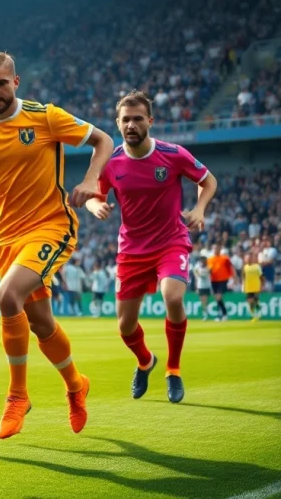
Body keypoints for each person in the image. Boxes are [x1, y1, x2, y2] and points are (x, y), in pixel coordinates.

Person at [0, 51, 114, 439]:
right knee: (41, 324)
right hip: (5, 236)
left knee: (8, 297)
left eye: (1, 83)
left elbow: (103, 140)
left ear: (16, 82)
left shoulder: (45, 117)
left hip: (51, 225)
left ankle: (17, 396)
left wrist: (92, 179)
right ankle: (77, 385)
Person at [86, 90, 217, 404]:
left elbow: (208, 181)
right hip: (131, 250)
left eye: (137, 118)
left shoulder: (173, 154)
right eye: (125, 119)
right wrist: (95, 207)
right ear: (118, 124)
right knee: (125, 324)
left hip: (170, 242)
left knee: (172, 296)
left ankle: (173, 369)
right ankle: (145, 361)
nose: (131, 124)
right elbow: (95, 194)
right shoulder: (111, 162)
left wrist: (200, 210)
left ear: (150, 121)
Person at [207, 245, 236, 321]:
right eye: (214, 248)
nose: (215, 250)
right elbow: (209, 269)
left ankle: (222, 314)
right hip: (213, 280)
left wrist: (234, 278)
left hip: (223, 279)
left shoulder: (225, 258)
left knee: (218, 297)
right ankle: (222, 314)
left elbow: (231, 268)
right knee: (217, 298)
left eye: (217, 248)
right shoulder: (210, 259)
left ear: (220, 249)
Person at [243, 254, 263, 322]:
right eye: (246, 258)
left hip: (256, 287)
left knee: (254, 300)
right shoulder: (245, 267)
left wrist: (261, 286)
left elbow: (261, 277)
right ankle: (255, 315)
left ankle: (257, 314)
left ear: (251, 259)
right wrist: (243, 286)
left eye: (248, 258)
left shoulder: (257, 267)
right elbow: (244, 277)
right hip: (248, 287)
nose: (247, 259)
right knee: (250, 302)